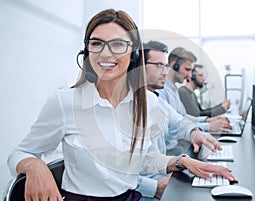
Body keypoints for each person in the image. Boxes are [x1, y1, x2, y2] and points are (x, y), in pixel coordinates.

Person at [7, 9, 237, 201]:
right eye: (96, 43)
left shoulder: (147, 102)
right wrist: (33, 165)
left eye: (117, 44)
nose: (105, 53)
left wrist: (182, 162)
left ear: (134, 55)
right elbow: (20, 152)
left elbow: (144, 159)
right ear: (86, 51)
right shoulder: (65, 102)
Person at [137, 40, 232, 201]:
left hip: (161, 173)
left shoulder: (155, 98)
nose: (165, 73)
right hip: (147, 187)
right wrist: (154, 187)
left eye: (165, 66)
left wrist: (195, 133)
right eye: (159, 66)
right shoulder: (129, 103)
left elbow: (179, 122)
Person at [157, 47, 232, 147]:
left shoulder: (173, 89)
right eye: (187, 69)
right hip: (173, 148)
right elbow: (173, 125)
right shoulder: (162, 90)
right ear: (174, 66)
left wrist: (207, 120)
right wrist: (208, 126)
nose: (189, 75)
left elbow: (184, 117)